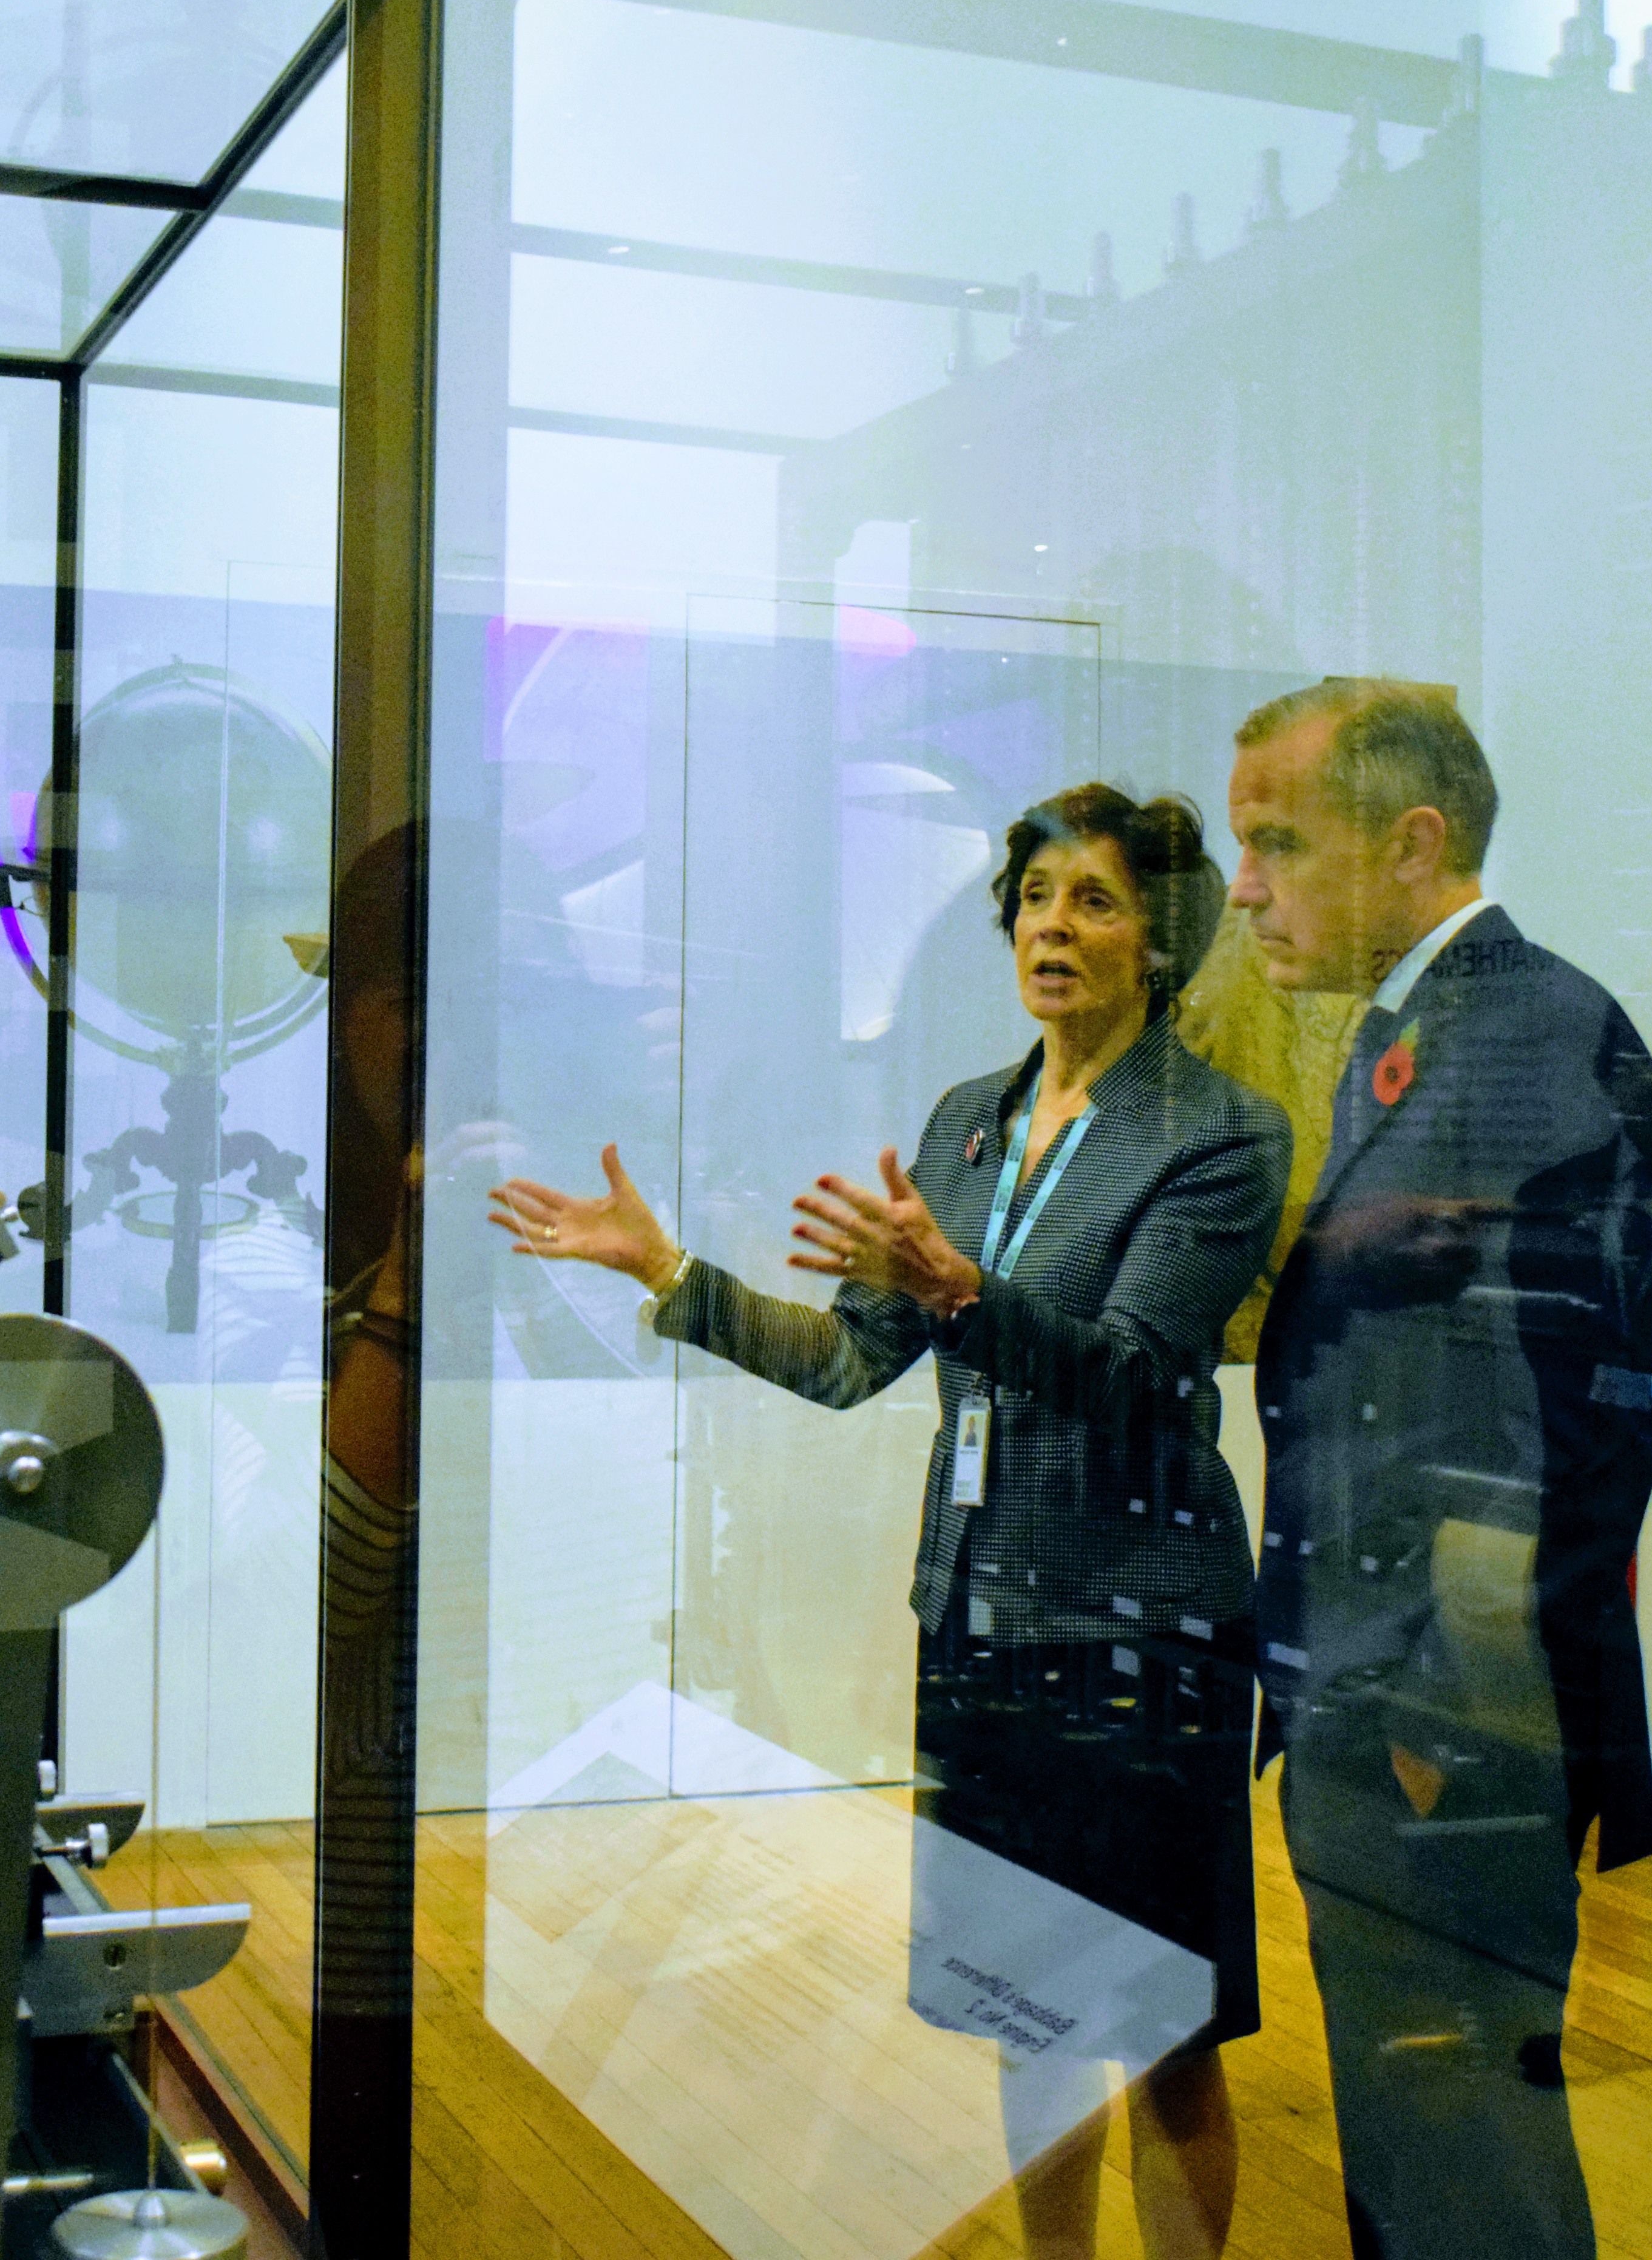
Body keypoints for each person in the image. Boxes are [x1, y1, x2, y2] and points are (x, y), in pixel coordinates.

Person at [491, 784, 1289, 2260]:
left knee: (1166, 2027)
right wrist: (668, 1272)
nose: (1054, 924)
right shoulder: (968, 1124)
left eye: (1095, 900)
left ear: (1160, 942)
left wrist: (958, 1288)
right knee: (1028, 2011)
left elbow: (1123, 1369)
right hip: (980, 1622)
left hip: (1138, 1636)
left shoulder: (1222, 1134)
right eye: (1037, 896)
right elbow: (855, 1361)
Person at [1227, 679, 1652, 2259]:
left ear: (1414, 845)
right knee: (1425, 2148)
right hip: (1393, 1715)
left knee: (1469, 2152)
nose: (1245, 886)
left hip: (1452, 1735)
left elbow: (1544, 1439)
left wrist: (1438, 1724)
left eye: (1278, 842)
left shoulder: (1525, 1035)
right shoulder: (1419, 1039)